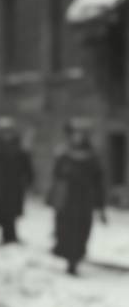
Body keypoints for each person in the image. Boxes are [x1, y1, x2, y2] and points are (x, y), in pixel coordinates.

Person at [49, 117, 109, 276]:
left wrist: (100, 207)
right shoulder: (63, 154)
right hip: (67, 199)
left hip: (84, 200)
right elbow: (57, 178)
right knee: (66, 230)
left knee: (81, 230)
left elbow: (98, 182)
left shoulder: (92, 157)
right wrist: (53, 198)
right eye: (76, 133)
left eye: (82, 134)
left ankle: (75, 259)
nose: (78, 137)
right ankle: (70, 260)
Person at [0, 116, 34, 244]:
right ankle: (8, 236)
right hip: (0, 185)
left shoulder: (19, 147)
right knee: (4, 211)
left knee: (11, 212)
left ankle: (10, 235)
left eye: (8, 131)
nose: (6, 135)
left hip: (14, 185)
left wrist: (29, 179)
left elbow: (26, 165)